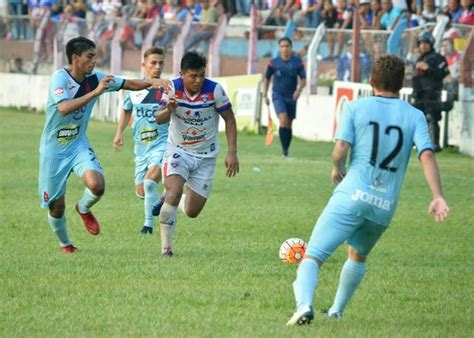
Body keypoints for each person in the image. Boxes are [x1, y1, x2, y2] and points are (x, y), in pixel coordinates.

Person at [286, 54, 450, 326]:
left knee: (313, 255)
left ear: (371, 80)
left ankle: (304, 305)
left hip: (351, 195)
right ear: (401, 84)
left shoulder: (355, 107)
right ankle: (337, 310)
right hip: (383, 207)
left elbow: (340, 149)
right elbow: (427, 155)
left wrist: (337, 166)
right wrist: (438, 196)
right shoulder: (415, 116)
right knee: (358, 254)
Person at [39, 37, 169, 253]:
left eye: (95, 56)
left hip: (78, 145)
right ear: (75, 58)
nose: (94, 61)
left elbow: (128, 84)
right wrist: (96, 92)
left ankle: (83, 208)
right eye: (90, 57)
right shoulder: (59, 78)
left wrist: (151, 83)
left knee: (97, 185)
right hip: (53, 150)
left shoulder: (96, 78)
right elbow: (63, 108)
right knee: (56, 206)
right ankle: (66, 245)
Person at [154, 51, 239, 257]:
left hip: (206, 157)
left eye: (201, 75)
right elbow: (159, 118)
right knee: (174, 193)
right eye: (193, 76)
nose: (198, 80)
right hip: (178, 151)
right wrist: (169, 109)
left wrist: (232, 153)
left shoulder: (215, 90)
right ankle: (167, 249)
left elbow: (229, 118)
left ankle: (170, 196)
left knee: (192, 212)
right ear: (182, 73)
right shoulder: (172, 88)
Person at [112, 47, 169, 235]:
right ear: (144, 65)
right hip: (141, 149)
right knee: (141, 192)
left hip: (162, 145)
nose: (157, 67)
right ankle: (166, 197)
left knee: (149, 181)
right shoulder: (134, 89)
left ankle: (148, 226)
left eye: (161, 63)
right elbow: (127, 110)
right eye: (153, 63)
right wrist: (119, 132)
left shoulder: (168, 89)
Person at [263, 37, 306, 158]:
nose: (285, 48)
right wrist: (265, 94)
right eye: (282, 46)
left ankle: (286, 151)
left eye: (287, 46)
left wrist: (299, 90)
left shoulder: (297, 62)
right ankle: (284, 151)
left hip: (292, 96)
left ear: (291, 47)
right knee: (283, 119)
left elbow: (303, 79)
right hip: (278, 95)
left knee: (289, 124)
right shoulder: (274, 62)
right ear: (279, 48)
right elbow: (266, 78)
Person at [412, 31, 453, 152]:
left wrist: (429, 68)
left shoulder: (438, 58)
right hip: (419, 94)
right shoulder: (419, 58)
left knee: (432, 118)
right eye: (421, 43)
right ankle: (419, 144)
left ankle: (434, 144)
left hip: (432, 93)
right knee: (418, 119)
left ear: (431, 44)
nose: (423, 46)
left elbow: (443, 73)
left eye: (426, 43)